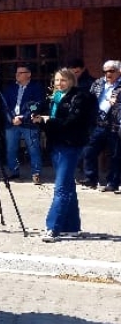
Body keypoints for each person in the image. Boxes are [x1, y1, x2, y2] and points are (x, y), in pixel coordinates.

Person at [33, 68, 96, 242]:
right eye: (57, 80)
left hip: (70, 146)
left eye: (63, 80)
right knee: (68, 187)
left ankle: (52, 227)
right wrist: (37, 119)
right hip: (55, 146)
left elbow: (72, 122)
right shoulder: (54, 98)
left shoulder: (80, 97)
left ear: (71, 81)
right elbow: (46, 122)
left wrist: (48, 120)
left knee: (60, 188)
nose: (59, 84)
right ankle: (72, 227)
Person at [81, 60, 121, 190]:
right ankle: (90, 179)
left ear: (119, 71)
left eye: (111, 71)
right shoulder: (98, 83)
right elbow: (89, 99)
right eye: (105, 71)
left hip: (114, 125)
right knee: (89, 151)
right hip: (98, 123)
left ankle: (112, 183)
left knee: (114, 155)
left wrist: (118, 103)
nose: (108, 74)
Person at [3, 64, 45, 184]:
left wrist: (23, 117)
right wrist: (11, 118)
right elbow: (5, 106)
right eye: (16, 73)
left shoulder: (35, 87)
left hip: (28, 123)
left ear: (28, 74)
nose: (17, 75)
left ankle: (36, 173)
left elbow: (36, 104)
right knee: (11, 149)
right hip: (12, 123)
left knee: (33, 148)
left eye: (20, 73)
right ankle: (14, 172)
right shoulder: (10, 88)